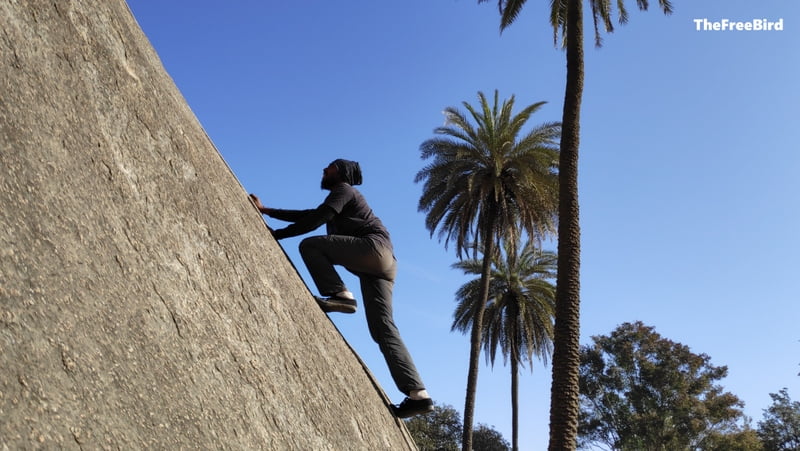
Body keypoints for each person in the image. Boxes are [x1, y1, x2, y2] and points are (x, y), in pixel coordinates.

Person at [249, 158, 433, 418]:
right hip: (385, 264)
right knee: (383, 328)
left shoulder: (345, 190)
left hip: (373, 249)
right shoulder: (341, 200)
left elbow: (314, 222)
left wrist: (277, 234)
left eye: (331, 167)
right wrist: (267, 211)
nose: (324, 170)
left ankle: (341, 295)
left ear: (342, 173)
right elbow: (310, 215)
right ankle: (418, 395)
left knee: (310, 245)